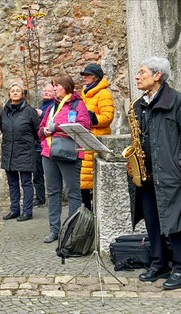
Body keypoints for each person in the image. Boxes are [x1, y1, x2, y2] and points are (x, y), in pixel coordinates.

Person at [130, 56, 181, 290]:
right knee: (152, 220)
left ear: (157, 75)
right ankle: (159, 263)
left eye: (142, 72)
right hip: (146, 174)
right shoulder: (138, 105)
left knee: (176, 223)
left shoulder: (179, 102)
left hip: (171, 174)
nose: (137, 76)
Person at [38, 75, 90, 243]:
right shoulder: (51, 107)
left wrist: (56, 127)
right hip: (49, 153)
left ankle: (72, 230)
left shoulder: (77, 104)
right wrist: (44, 131)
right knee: (53, 192)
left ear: (66, 87)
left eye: (57, 85)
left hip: (69, 153)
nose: (54, 89)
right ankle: (54, 230)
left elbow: (83, 126)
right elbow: (40, 129)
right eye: (53, 86)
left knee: (73, 193)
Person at [0, 83, 40, 222]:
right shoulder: (4, 111)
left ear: (22, 94)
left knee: (26, 182)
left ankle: (27, 211)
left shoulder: (29, 111)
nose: (15, 92)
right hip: (8, 152)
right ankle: (14, 209)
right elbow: (2, 128)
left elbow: (37, 131)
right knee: (12, 183)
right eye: (12, 90)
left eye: (18, 91)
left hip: (25, 151)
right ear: (9, 94)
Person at [79, 63, 115, 211]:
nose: (84, 78)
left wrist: (91, 118)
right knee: (83, 178)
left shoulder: (104, 93)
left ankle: (96, 211)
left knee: (92, 178)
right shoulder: (84, 92)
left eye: (86, 75)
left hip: (96, 139)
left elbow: (108, 117)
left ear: (95, 77)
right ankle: (86, 210)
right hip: (84, 138)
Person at [32, 84, 56, 208]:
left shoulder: (54, 105)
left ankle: (53, 197)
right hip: (38, 146)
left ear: (54, 92)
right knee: (37, 174)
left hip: (48, 146)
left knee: (51, 174)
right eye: (45, 90)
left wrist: (41, 114)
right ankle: (40, 198)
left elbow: (52, 121)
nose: (46, 92)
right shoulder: (43, 104)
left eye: (49, 91)